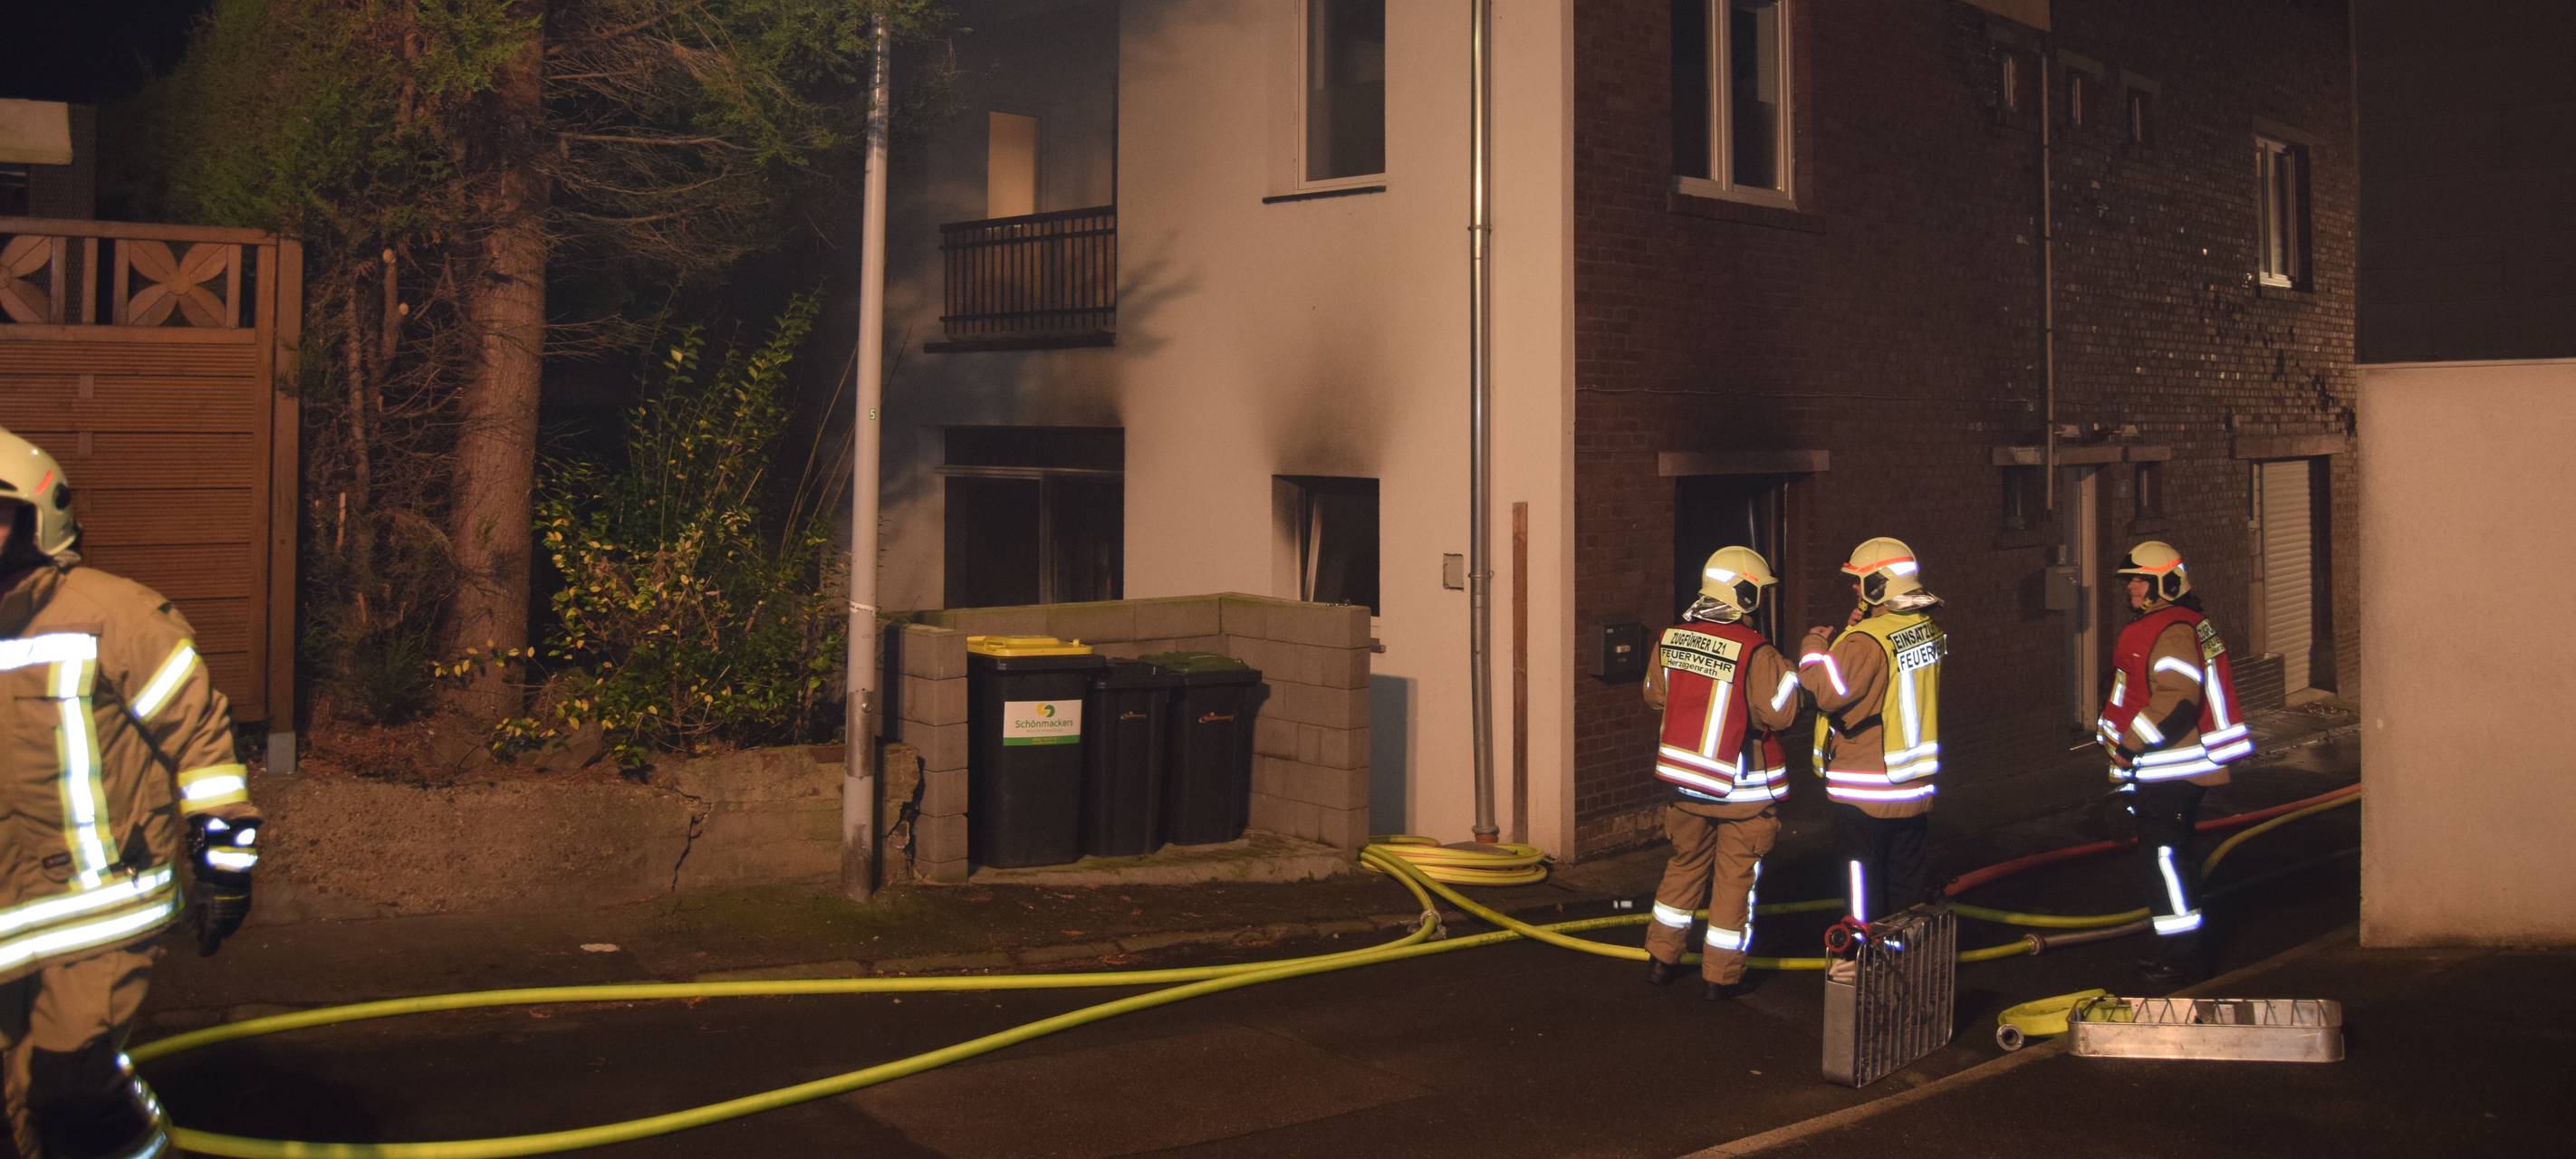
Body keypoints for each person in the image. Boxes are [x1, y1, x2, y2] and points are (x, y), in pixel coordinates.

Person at [0, 426, 260, 1156]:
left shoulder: (116, 617)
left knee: (74, 1092)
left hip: (101, 909)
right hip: (7, 918)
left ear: (38, 519)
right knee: (21, 1112)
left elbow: (203, 745)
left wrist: (225, 866)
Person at [1639, 547, 1802, 1001]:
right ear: (1746, 595)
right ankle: (1721, 977)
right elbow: (1781, 713)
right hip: (1742, 791)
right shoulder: (1757, 651)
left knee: (1684, 866)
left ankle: (1661, 958)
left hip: (1686, 786)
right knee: (1734, 881)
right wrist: (1792, 672)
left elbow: (1654, 696)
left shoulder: (1671, 638)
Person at [2096, 540, 2253, 985]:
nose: (2131, 588)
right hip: (2169, 766)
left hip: (2170, 767)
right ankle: (2178, 952)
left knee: (2165, 860)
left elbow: (2177, 700)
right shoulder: (2180, 624)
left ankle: (2182, 959)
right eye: (2130, 581)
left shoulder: (2172, 630)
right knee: (2171, 858)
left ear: (2165, 583)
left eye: (2139, 581)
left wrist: (2130, 746)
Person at [1797, 537, 1946, 940]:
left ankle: (1863, 954)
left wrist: (1814, 646)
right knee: (1906, 883)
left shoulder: (1865, 641)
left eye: (1859, 581)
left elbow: (1820, 689)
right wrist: (1857, 629)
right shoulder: (1924, 627)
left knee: (1862, 884)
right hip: (1913, 785)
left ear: (1878, 585)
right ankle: (1906, 954)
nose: (1853, 587)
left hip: (1866, 787)